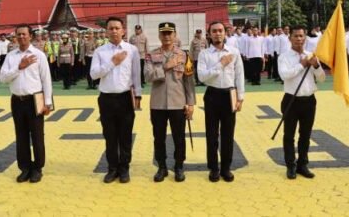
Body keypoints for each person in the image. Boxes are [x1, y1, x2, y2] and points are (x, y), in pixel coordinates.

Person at [0, 25, 53, 183]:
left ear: (31, 36)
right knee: (21, 136)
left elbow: (46, 80)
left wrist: (47, 102)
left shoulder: (39, 55)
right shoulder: (11, 56)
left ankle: (37, 168)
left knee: (37, 136)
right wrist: (19, 67)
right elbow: (3, 78)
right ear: (15, 37)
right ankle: (25, 168)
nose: (21, 37)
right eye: (18, 34)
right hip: (17, 100)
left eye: (24, 34)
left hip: (35, 100)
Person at [90, 16, 142, 183]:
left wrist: (138, 95)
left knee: (125, 136)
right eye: (110, 28)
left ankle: (124, 168)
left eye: (117, 28)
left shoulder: (132, 50)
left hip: (125, 97)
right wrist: (112, 62)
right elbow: (94, 74)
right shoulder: (100, 51)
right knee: (110, 136)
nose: (114, 31)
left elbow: (136, 75)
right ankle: (112, 169)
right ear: (106, 31)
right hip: (106, 98)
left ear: (123, 30)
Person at [144, 22, 195, 183]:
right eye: (163, 33)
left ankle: (179, 166)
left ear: (175, 35)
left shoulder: (184, 55)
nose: (166, 36)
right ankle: (162, 167)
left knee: (179, 137)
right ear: (159, 36)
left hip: (178, 103)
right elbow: (147, 76)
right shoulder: (150, 55)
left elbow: (189, 81)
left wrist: (191, 103)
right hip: (158, 104)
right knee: (158, 138)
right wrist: (166, 67)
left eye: (169, 33)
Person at [198, 21, 245, 182]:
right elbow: (202, 77)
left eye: (220, 31)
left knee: (228, 134)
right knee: (212, 134)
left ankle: (226, 168)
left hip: (230, 94)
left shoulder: (234, 52)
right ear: (209, 34)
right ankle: (213, 168)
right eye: (214, 31)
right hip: (212, 95)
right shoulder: (204, 54)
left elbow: (239, 75)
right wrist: (221, 64)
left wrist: (241, 97)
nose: (217, 33)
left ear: (225, 33)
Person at [278, 26, 325, 180]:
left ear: (305, 38)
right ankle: (290, 165)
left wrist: (316, 65)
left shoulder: (311, 56)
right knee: (289, 135)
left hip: (309, 100)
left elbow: (322, 78)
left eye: (301, 36)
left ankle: (302, 164)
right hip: (291, 100)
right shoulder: (284, 57)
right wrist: (302, 65)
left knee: (305, 134)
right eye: (296, 36)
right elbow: (285, 75)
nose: (299, 39)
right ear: (289, 38)